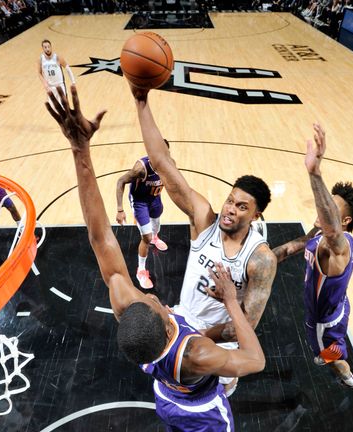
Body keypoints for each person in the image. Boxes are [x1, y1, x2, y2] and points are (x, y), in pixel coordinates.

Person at [46, 86, 265, 430]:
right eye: (152, 302)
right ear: (167, 325)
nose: (149, 296)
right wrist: (231, 302)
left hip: (166, 397)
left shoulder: (130, 316)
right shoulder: (197, 353)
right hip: (202, 414)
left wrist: (80, 149)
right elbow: (255, 360)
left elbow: (100, 236)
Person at [132, 85, 277, 397]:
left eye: (242, 207)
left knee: (215, 400)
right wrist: (141, 99)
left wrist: (199, 335)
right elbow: (162, 162)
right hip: (185, 321)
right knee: (174, 390)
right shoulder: (204, 221)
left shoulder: (260, 259)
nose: (229, 210)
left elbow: (246, 325)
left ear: (256, 215)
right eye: (230, 201)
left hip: (219, 342)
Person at [271, 124, 353, 387]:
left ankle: (348, 377)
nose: (323, 204)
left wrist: (315, 174)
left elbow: (329, 230)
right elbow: (305, 241)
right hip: (338, 305)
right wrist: (270, 258)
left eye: (331, 205)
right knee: (335, 341)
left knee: (329, 355)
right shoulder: (324, 235)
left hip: (323, 321)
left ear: (345, 220)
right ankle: (335, 350)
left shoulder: (338, 245)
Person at [116, 152, 169, 289]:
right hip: (140, 203)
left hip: (155, 199)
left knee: (155, 227)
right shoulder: (141, 169)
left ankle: (155, 238)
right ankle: (141, 271)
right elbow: (121, 181)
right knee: (146, 237)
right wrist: (120, 210)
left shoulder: (168, 164)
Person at [38, 39, 73, 107]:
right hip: (50, 87)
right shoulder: (41, 59)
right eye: (45, 47)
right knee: (54, 108)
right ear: (42, 48)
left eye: (48, 46)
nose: (47, 49)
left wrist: (73, 82)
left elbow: (68, 68)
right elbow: (39, 73)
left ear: (51, 47)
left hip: (60, 85)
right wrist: (45, 84)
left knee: (65, 106)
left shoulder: (57, 57)